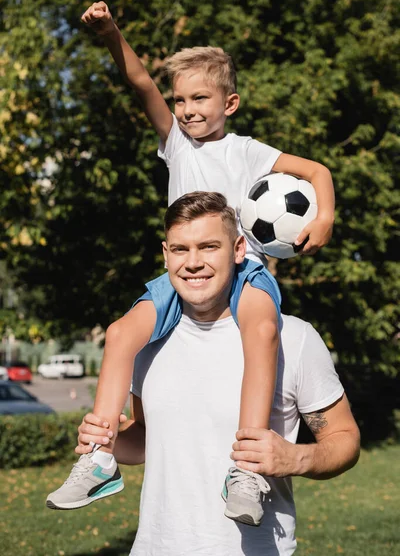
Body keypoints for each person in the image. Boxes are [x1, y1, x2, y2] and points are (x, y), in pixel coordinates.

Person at [46, 0, 335, 522]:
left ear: (231, 102)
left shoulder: (247, 152)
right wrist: (112, 34)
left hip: (241, 270)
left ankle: (247, 469)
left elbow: (317, 171)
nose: (187, 109)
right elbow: (139, 83)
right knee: (119, 333)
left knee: (263, 332)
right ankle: (100, 457)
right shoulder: (176, 143)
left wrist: (325, 218)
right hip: (181, 273)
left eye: (200, 97)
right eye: (180, 99)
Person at [76, 191, 360, 556]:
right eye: (181, 249)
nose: (193, 263)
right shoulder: (147, 342)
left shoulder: (295, 338)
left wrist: (295, 458)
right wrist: (107, 439)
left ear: (239, 249)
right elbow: (148, 438)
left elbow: (345, 438)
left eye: (209, 247)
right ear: (166, 255)